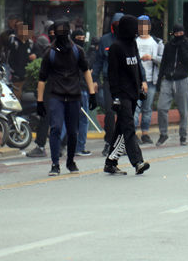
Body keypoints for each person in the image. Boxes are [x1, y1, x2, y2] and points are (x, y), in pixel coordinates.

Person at [36, 20, 97, 176]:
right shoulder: (50, 53)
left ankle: (70, 161)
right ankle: (55, 164)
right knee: (56, 128)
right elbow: (42, 78)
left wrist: (92, 93)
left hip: (74, 96)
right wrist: (40, 101)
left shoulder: (78, 51)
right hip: (56, 96)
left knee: (72, 131)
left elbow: (86, 71)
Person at [104, 15, 150, 175]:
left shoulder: (133, 44)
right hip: (121, 94)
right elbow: (113, 74)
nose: (136, 31)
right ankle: (137, 162)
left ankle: (111, 162)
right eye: (134, 27)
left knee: (121, 129)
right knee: (129, 127)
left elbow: (136, 68)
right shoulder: (116, 47)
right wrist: (115, 96)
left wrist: (140, 89)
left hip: (132, 94)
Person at [156, 23, 188, 146]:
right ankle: (163, 134)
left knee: (183, 110)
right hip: (168, 79)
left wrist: (182, 47)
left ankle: (183, 136)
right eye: (176, 33)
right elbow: (163, 62)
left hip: (182, 80)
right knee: (161, 107)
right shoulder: (169, 46)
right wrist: (159, 79)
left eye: (180, 33)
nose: (178, 35)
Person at [93, 12, 124, 156]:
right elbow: (98, 61)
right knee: (110, 113)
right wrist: (94, 80)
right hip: (109, 82)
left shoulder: (129, 39)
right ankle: (109, 142)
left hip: (125, 82)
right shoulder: (105, 40)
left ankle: (122, 143)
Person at [134, 16, 163, 145]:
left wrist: (152, 58)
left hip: (151, 80)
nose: (143, 28)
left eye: (146, 25)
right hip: (136, 80)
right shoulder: (133, 41)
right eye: (141, 25)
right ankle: (133, 133)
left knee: (147, 108)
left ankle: (145, 133)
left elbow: (163, 59)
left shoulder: (156, 42)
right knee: (135, 108)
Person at [71, 28, 92, 156]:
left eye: (83, 38)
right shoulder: (81, 52)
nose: (81, 41)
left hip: (72, 89)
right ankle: (79, 147)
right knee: (83, 119)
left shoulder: (68, 51)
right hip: (80, 89)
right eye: (79, 38)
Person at [8, 22, 37, 99]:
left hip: (28, 74)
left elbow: (38, 53)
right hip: (17, 74)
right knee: (17, 92)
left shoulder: (30, 43)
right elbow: (10, 60)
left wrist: (34, 55)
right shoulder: (14, 43)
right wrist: (16, 71)